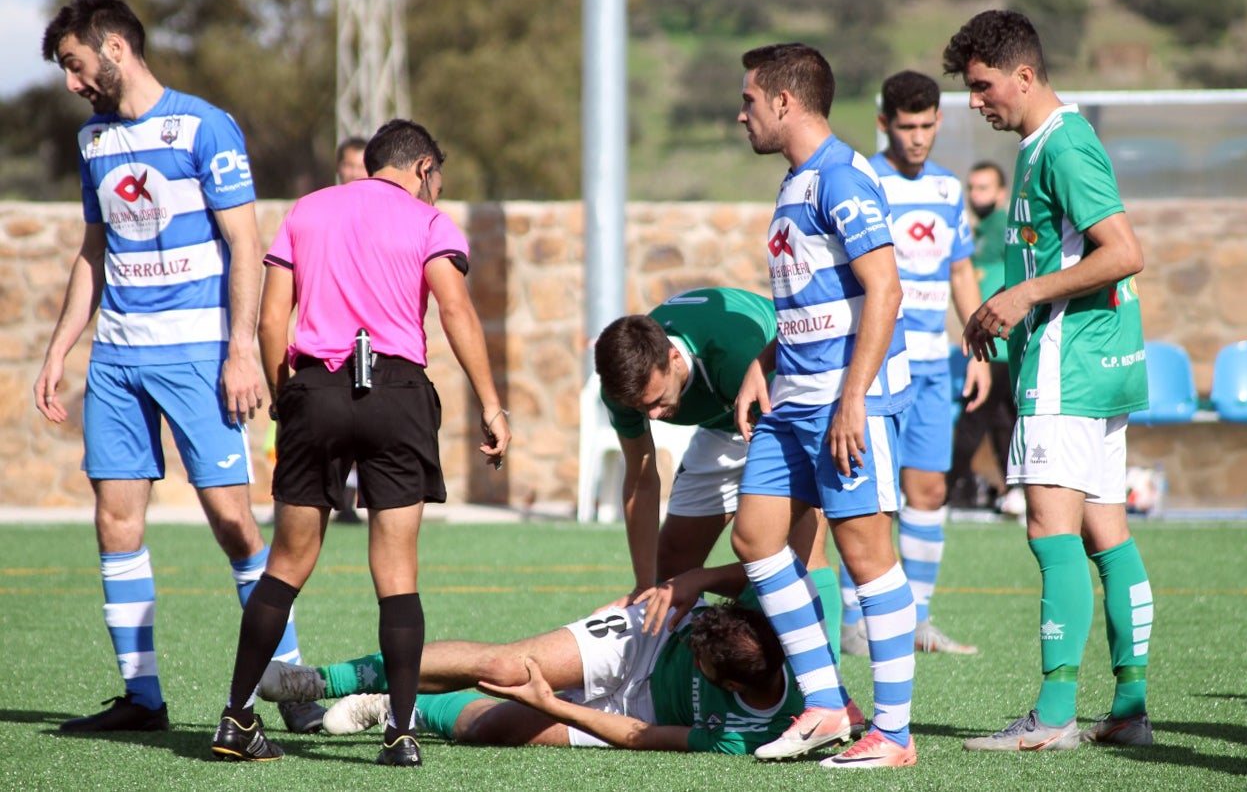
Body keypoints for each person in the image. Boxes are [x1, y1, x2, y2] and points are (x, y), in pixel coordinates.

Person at [33, 0, 319, 736]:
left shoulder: (204, 126)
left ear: (115, 49)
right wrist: (62, 346)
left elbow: (246, 246)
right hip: (118, 361)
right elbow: (94, 251)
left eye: (74, 64)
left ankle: (289, 687)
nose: (71, 82)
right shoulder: (92, 141)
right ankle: (142, 698)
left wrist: (241, 352)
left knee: (232, 522)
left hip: (198, 356)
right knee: (115, 521)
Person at [210, 119, 511, 768]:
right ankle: (400, 734)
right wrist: (490, 402)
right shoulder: (430, 224)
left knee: (286, 565)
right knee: (396, 570)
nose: (436, 190)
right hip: (397, 393)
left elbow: (271, 319)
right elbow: (455, 311)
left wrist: (289, 392)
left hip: (315, 388)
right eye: (438, 179)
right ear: (424, 168)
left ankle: (236, 718)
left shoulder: (309, 210)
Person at [943, 9, 1154, 751]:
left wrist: (1025, 296)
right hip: (1096, 363)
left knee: (1048, 533)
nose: (974, 100)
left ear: (1023, 76)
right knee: (1107, 534)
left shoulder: (1061, 145)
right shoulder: (1045, 143)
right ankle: (1128, 708)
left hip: (1068, 366)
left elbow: (1123, 252)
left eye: (982, 85)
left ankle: (1054, 716)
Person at [729, 42, 917, 769]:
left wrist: (852, 399)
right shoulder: (795, 181)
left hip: (845, 404)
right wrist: (762, 364)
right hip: (792, 401)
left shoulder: (840, 178)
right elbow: (813, 298)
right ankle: (826, 706)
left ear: (784, 101)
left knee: (865, 560)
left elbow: (885, 290)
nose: (740, 112)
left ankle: (894, 738)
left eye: (748, 99)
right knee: (754, 536)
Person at [257, 600, 853, 755]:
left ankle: (393, 709)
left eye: (699, 657)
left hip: (642, 718)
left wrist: (553, 705)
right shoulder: (807, 664)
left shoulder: (749, 735)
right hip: (635, 646)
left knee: (495, 726)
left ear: (725, 685)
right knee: (501, 666)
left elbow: (640, 738)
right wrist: (695, 579)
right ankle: (325, 680)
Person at [833, 71, 988, 660]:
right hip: (877, 368)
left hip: (933, 367)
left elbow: (960, 272)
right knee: (869, 494)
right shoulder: (864, 181)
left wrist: (976, 349)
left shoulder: (950, 190)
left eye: (927, 125)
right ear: (883, 123)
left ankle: (918, 621)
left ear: (939, 122)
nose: (918, 138)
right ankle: (855, 620)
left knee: (927, 489)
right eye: (906, 127)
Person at [593, 289, 839, 632]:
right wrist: (642, 583)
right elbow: (641, 478)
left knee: (800, 556)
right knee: (670, 573)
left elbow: (801, 448)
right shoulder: (623, 389)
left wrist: (704, 578)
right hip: (722, 424)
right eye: (640, 408)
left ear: (675, 359)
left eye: (657, 401)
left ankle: (824, 676)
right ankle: (681, 678)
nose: (652, 415)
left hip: (784, 408)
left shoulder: (735, 353)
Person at [947, 161, 1017, 514]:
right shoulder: (979, 233)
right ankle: (1013, 489)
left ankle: (946, 489)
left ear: (1002, 194)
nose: (976, 196)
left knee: (974, 419)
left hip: (999, 347)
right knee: (1002, 421)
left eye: (984, 188)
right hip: (991, 348)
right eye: (972, 188)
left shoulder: (1006, 228)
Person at [331, 134, 371, 524]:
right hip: (331, 333)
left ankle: (356, 500)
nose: (356, 173)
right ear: (339, 169)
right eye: (350, 166)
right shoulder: (323, 213)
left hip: (369, 334)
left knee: (366, 407)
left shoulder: (383, 215)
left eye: (363, 166)